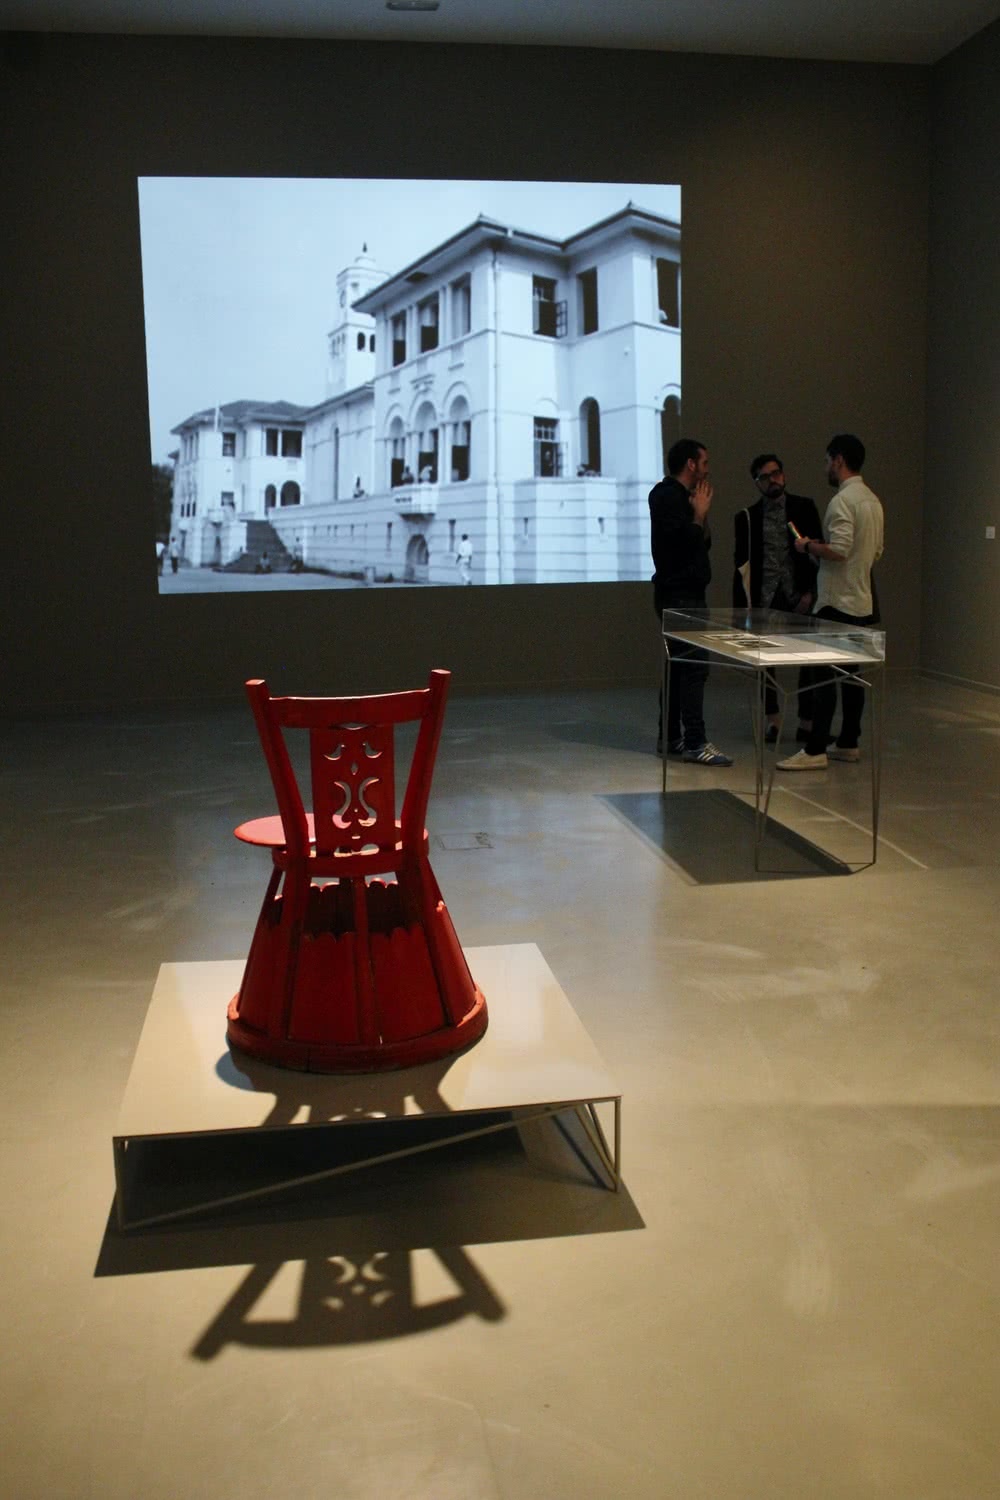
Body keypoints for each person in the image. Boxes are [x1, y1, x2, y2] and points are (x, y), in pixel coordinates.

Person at [777, 434, 884, 771]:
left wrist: (808, 546)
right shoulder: (873, 501)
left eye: (827, 461)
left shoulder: (842, 502)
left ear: (838, 460)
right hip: (861, 602)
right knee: (852, 676)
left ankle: (815, 750)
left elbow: (839, 549)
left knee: (823, 677)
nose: (825, 468)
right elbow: (875, 552)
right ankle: (849, 741)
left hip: (836, 603)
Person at [649, 438, 733, 766]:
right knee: (694, 668)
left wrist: (701, 514)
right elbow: (682, 545)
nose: (708, 470)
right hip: (680, 595)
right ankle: (695, 742)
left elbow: (702, 544)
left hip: (686, 594)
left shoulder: (683, 497)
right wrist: (698, 516)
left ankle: (671, 737)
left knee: (679, 667)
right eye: (705, 463)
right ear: (691, 464)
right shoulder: (666, 495)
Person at [734, 454, 823, 743]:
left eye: (776, 473)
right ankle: (773, 719)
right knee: (766, 662)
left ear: (783, 475)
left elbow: (817, 552)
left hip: (799, 594)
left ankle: (807, 722)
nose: (773, 480)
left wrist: (810, 592)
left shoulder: (804, 507)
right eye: (765, 476)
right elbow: (741, 565)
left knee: (809, 658)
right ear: (756, 482)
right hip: (765, 598)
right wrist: (743, 609)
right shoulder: (747, 517)